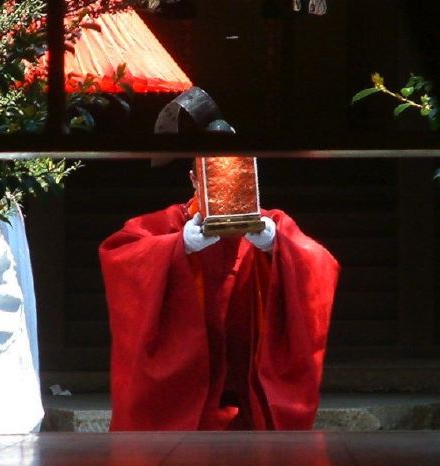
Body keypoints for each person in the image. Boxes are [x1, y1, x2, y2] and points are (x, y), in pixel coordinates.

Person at [98, 165, 340, 431]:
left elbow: (320, 262)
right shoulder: (168, 223)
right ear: (194, 179)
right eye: (214, 181)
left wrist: (277, 245)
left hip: (249, 367)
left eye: (238, 180)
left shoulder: (270, 223)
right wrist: (177, 246)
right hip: (187, 377)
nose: (226, 191)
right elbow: (120, 254)